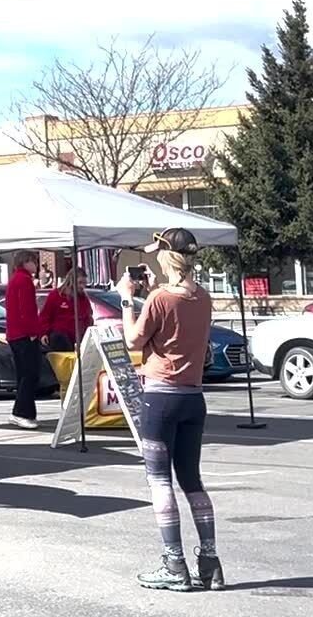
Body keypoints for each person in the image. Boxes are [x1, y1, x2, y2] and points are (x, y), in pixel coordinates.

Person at [118, 227, 223, 592]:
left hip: (160, 397)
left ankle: (174, 563)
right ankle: (209, 562)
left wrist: (127, 301)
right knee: (191, 479)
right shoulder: (204, 297)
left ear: (165, 256)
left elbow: (134, 339)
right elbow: (179, 325)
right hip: (194, 397)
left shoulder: (160, 298)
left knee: (160, 481)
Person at [2, 250, 43, 430]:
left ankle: (24, 412)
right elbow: (27, 310)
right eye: (33, 261)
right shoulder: (24, 281)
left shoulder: (15, 280)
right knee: (30, 374)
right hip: (24, 335)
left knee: (24, 375)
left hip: (15, 334)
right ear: (26, 262)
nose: (36, 265)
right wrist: (34, 332)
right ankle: (21, 412)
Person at [40, 263, 92, 352]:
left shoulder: (83, 299)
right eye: (80, 283)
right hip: (59, 340)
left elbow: (88, 318)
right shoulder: (56, 295)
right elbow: (45, 316)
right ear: (71, 281)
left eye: (84, 283)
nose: (82, 286)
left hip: (77, 340)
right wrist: (43, 333)